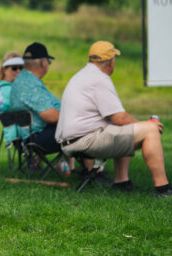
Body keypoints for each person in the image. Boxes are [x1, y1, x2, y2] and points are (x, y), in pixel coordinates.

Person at [55, 41, 172, 197]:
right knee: (149, 130)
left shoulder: (83, 75)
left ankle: (122, 182)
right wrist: (146, 126)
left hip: (72, 140)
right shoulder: (99, 79)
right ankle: (163, 189)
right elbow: (120, 118)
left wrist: (137, 127)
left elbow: (118, 120)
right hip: (84, 140)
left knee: (128, 131)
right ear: (110, 62)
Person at [10, 42, 62, 154]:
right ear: (44, 63)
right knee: (82, 129)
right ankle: (92, 170)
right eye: (48, 62)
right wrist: (77, 116)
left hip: (21, 137)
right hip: (34, 140)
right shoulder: (31, 85)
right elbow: (52, 117)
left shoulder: (21, 80)